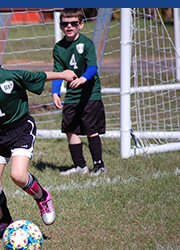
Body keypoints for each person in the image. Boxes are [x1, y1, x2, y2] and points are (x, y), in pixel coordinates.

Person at [0, 34, 77, 239]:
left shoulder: (10, 77)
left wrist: (63, 74)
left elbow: (37, 77)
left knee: (18, 176)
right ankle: (3, 222)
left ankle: (42, 197)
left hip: (21, 129)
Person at [52, 8, 106, 176]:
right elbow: (58, 72)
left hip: (90, 94)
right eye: (65, 23)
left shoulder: (87, 44)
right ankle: (80, 166)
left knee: (90, 129)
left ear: (81, 24)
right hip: (72, 95)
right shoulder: (59, 48)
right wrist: (55, 92)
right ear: (61, 26)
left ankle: (99, 166)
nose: (69, 26)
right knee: (70, 128)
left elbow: (92, 67)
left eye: (73, 23)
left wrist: (83, 78)